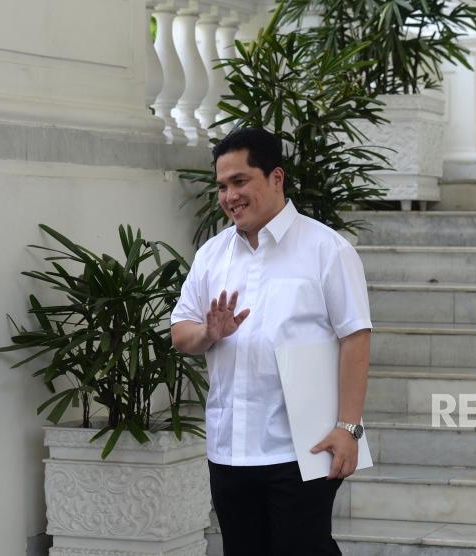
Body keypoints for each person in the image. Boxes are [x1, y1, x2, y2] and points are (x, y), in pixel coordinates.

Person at [170, 127, 372, 555]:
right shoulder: (212, 254)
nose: (229, 197)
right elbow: (180, 333)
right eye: (222, 186)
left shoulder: (327, 249)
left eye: (240, 181)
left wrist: (348, 428)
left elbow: (355, 337)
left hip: (304, 446)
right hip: (230, 448)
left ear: (276, 178)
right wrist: (210, 332)